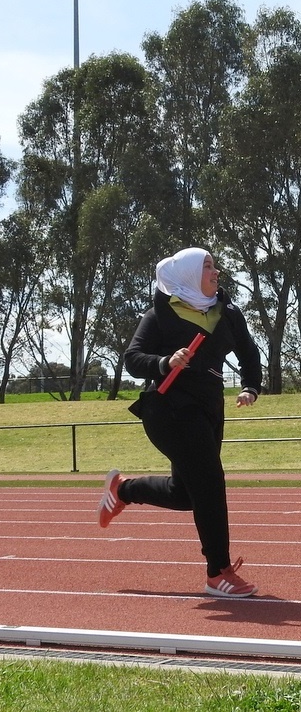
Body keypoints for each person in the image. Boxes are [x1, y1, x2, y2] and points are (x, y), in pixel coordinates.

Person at [97, 247, 262, 597]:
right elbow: (132, 358)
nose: (216, 272)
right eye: (207, 267)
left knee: (186, 494)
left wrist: (250, 386)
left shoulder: (228, 313)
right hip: (168, 410)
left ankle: (123, 489)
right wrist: (165, 361)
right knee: (210, 482)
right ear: (187, 275)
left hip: (207, 408)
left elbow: (249, 351)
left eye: (215, 267)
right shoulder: (159, 315)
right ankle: (218, 572)